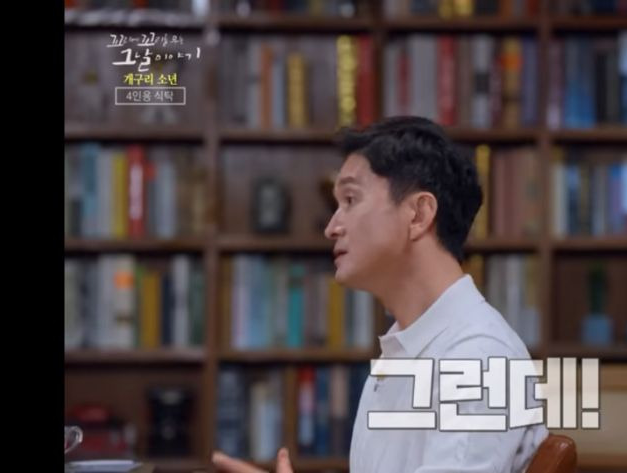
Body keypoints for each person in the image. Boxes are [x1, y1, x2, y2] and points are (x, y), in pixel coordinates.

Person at [212, 116, 548, 473]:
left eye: (350, 200)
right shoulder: (404, 349)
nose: (331, 227)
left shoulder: (478, 357)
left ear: (418, 214)